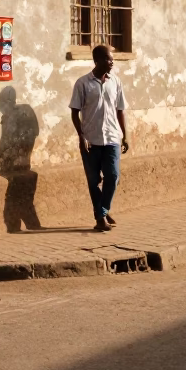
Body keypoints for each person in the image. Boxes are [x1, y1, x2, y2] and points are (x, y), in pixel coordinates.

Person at [70, 45, 129, 232]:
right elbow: (74, 112)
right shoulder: (82, 83)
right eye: (108, 59)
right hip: (91, 140)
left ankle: (102, 211)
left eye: (112, 59)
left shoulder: (116, 82)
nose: (112, 63)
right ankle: (101, 216)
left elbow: (120, 109)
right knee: (93, 180)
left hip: (112, 137)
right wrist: (81, 137)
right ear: (97, 61)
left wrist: (125, 135)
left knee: (113, 176)